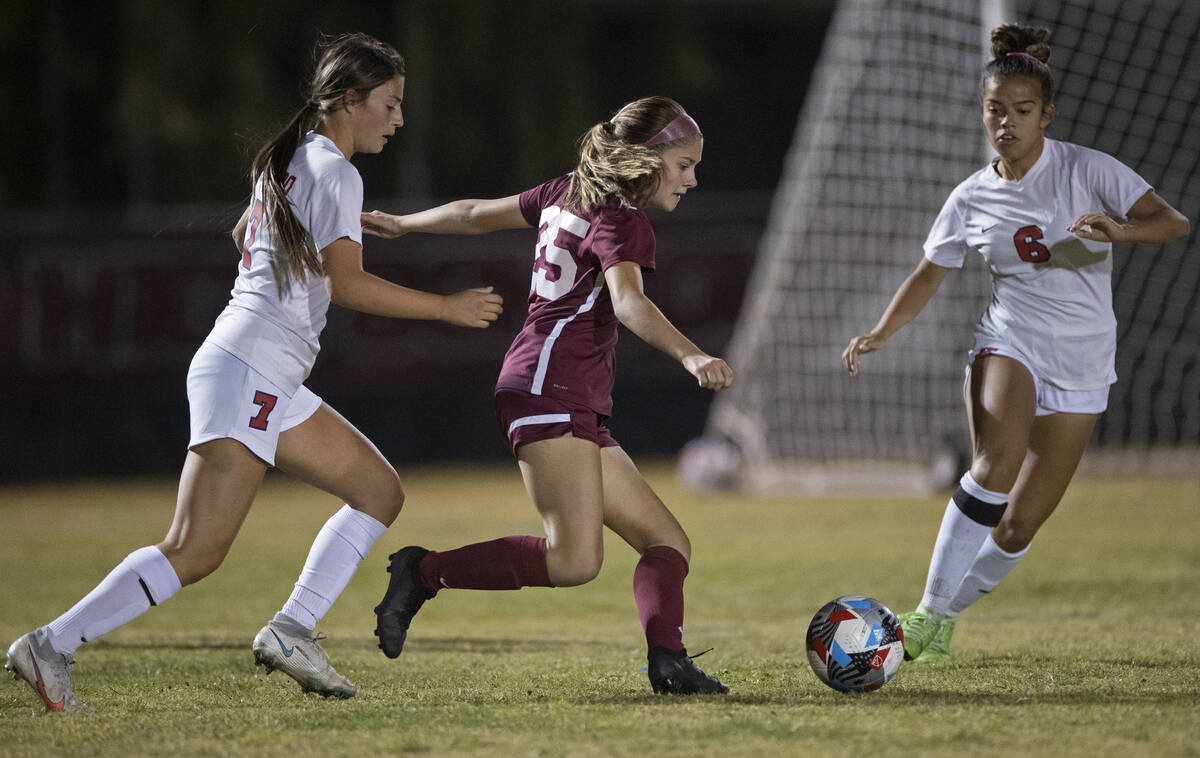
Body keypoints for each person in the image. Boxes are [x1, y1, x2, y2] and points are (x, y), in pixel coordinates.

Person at [4, 32, 504, 711]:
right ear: (350, 100)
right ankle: (50, 644)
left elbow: (247, 234)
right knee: (195, 550)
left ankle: (293, 630)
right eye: (388, 104)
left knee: (378, 491)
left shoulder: (296, 160)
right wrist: (445, 308)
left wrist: (324, 232)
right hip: (250, 371)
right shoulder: (334, 170)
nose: (398, 119)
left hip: (261, 372)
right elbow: (348, 285)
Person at [361, 96, 734, 695]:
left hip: (558, 388)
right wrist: (693, 354)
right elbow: (631, 303)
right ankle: (423, 571)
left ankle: (669, 663)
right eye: (684, 165)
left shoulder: (569, 191)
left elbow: (475, 213)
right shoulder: (623, 219)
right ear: (645, 158)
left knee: (667, 542)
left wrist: (406, 224)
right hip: (549, 386)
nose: (692, 179)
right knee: (574, 561)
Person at [842, 24, 1189, 663]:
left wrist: (1120, 232)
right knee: (994, 467)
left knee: (1018, 525)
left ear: (1046, 115)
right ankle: (923, 616)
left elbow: (1173, 221)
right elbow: (930, 271)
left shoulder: (1087, 168)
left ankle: (942, 615)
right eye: (995, 110)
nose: (1007, 123)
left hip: (1085, 357)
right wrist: (882, 331)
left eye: (1022, 111)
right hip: (1009, 342)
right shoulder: (970, 196)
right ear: (982, 112)